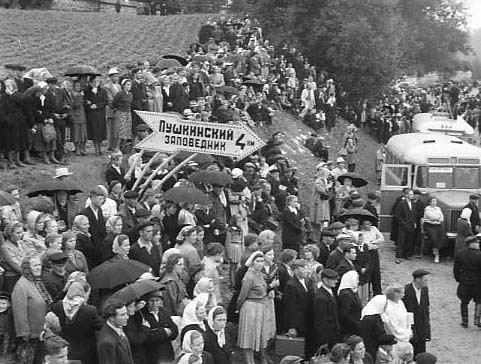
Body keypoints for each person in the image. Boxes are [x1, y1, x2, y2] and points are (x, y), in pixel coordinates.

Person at [12, 254, 53, 364]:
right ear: (27, 268)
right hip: (31, 335)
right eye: (35, 265)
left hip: (42, 331)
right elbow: (19, 313)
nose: (38, 267)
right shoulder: (21, 286)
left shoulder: (37, 281)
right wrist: (24, 334)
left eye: (39, 264)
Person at [50, 279, 103, 364]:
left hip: (68, 351)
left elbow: (52, 304)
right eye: (87, 294)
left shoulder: (60, 307)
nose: (88, 297)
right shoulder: (89, 311)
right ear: (82, 293)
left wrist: (64, 291)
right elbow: (101, 326)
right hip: (87, 353)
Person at [237, 251, 270, 364]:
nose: (260, 264)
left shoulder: (260, 274)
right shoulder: (249, 276)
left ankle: (261, 359)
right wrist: (239, 307)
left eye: (262, 261)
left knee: (259, 336)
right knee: (249, 337)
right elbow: (242, 295)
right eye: (257, 261)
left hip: (260, 307)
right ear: (252, 263)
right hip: (250, 307)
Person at [141, 289, 179, 363]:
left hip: (166, 352)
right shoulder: (142, 314)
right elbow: (147, 336)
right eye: (151, 301)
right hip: (151, 354)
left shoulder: (164, 312)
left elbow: (174, 331)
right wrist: (164, 331)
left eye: (157, 300)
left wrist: (156, 331)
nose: (154, 304)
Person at [310, 269, 340, 355]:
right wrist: (324, 341)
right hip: (327, 337)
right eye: (333, 279)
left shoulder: (330, 292)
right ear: (325, 280)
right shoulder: (321, 298)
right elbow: (320, 321)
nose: (336, 281)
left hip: (333, 334)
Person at [453, 235, 481, 328]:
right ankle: (477, 320)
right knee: (479, 302)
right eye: (477, 243)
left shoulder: (460, 254)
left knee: (464, 301)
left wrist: (458, 279)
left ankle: (465, 320)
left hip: (464, 282)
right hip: (478, 283)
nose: (478, 244)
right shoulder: (479, 255)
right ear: (472, 244)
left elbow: (456, 269)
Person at [283, 259, 314, 343]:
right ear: (296, 271)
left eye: (307, 268)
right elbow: (290, 307)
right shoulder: (291, 285)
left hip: (308, 321)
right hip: (298, 323)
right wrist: (292, 327)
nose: (306, 271)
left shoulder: (308, 282)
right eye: (304, 269)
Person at [402, 269, 431, 356]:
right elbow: (405, 311)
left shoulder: (425, 289)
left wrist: (427, 329)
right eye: (425, 280)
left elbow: (426, 308)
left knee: (421, 353)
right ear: (418, 280)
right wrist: (411, 329)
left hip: (422, 327)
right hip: (411, 326)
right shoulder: (406, 290)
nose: (427, 282)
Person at [97, 298, 134, 364]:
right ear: (111, 318)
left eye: (126, 313)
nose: (127, 317)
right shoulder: (107, 342)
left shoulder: (119, 327)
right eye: (122, 315)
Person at [382, 285, 412, 360]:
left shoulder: (400, 303)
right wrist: (403, 335)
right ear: (396, 294)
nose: (404, 295)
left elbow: (407, 316)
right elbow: (392, 326)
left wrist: (410, 330)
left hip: (405, 334)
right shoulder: (389, 308)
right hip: (398, 339)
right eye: (402, 293)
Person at [359, 295, 388, 361]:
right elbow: (366, 337)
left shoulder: (378, 316)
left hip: (377, 348)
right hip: (370, 349)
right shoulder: (368, 319)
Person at [1, 222, 27, 293]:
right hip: (12, 279)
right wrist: (29, 273)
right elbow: (15, 265)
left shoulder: (21, 243)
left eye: (21, 232)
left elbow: (29, 256)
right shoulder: (5, 248)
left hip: (24, 276)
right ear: (10, 233)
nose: (20, 235)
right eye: (17, 233)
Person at [338, 270, 362, 337]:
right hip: (350, 329)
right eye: (356, 279)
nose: (358, 281)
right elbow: (344, 314)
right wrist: (356, 323)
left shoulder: (353, 291)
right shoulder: (346, 295)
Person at [394, 189, 416, 263]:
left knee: (409, 241)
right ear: (406, 195)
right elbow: (398, 215)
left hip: (411, 225)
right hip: (403, 226)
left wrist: (414, 223)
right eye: (410, 194)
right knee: (401, 241)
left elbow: (413, 214)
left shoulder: (413, 203)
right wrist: (403, 223)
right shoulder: (401, 203)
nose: (412, 196)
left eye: (412, 194)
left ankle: (407, 255)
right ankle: (398, 257)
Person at [422, 198, 444, 263]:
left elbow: (442, 217)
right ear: (429, 202)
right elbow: (431, 217)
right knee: (434, 238)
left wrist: (438, 218)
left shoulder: (438, 208)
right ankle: (437, 255)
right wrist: (437, 218)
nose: (434, 202)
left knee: (442, 236)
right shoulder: (427, 209)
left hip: (437, 225)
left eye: (435, 201)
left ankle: (435, 249)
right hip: (429, 226)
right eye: (432, 201)